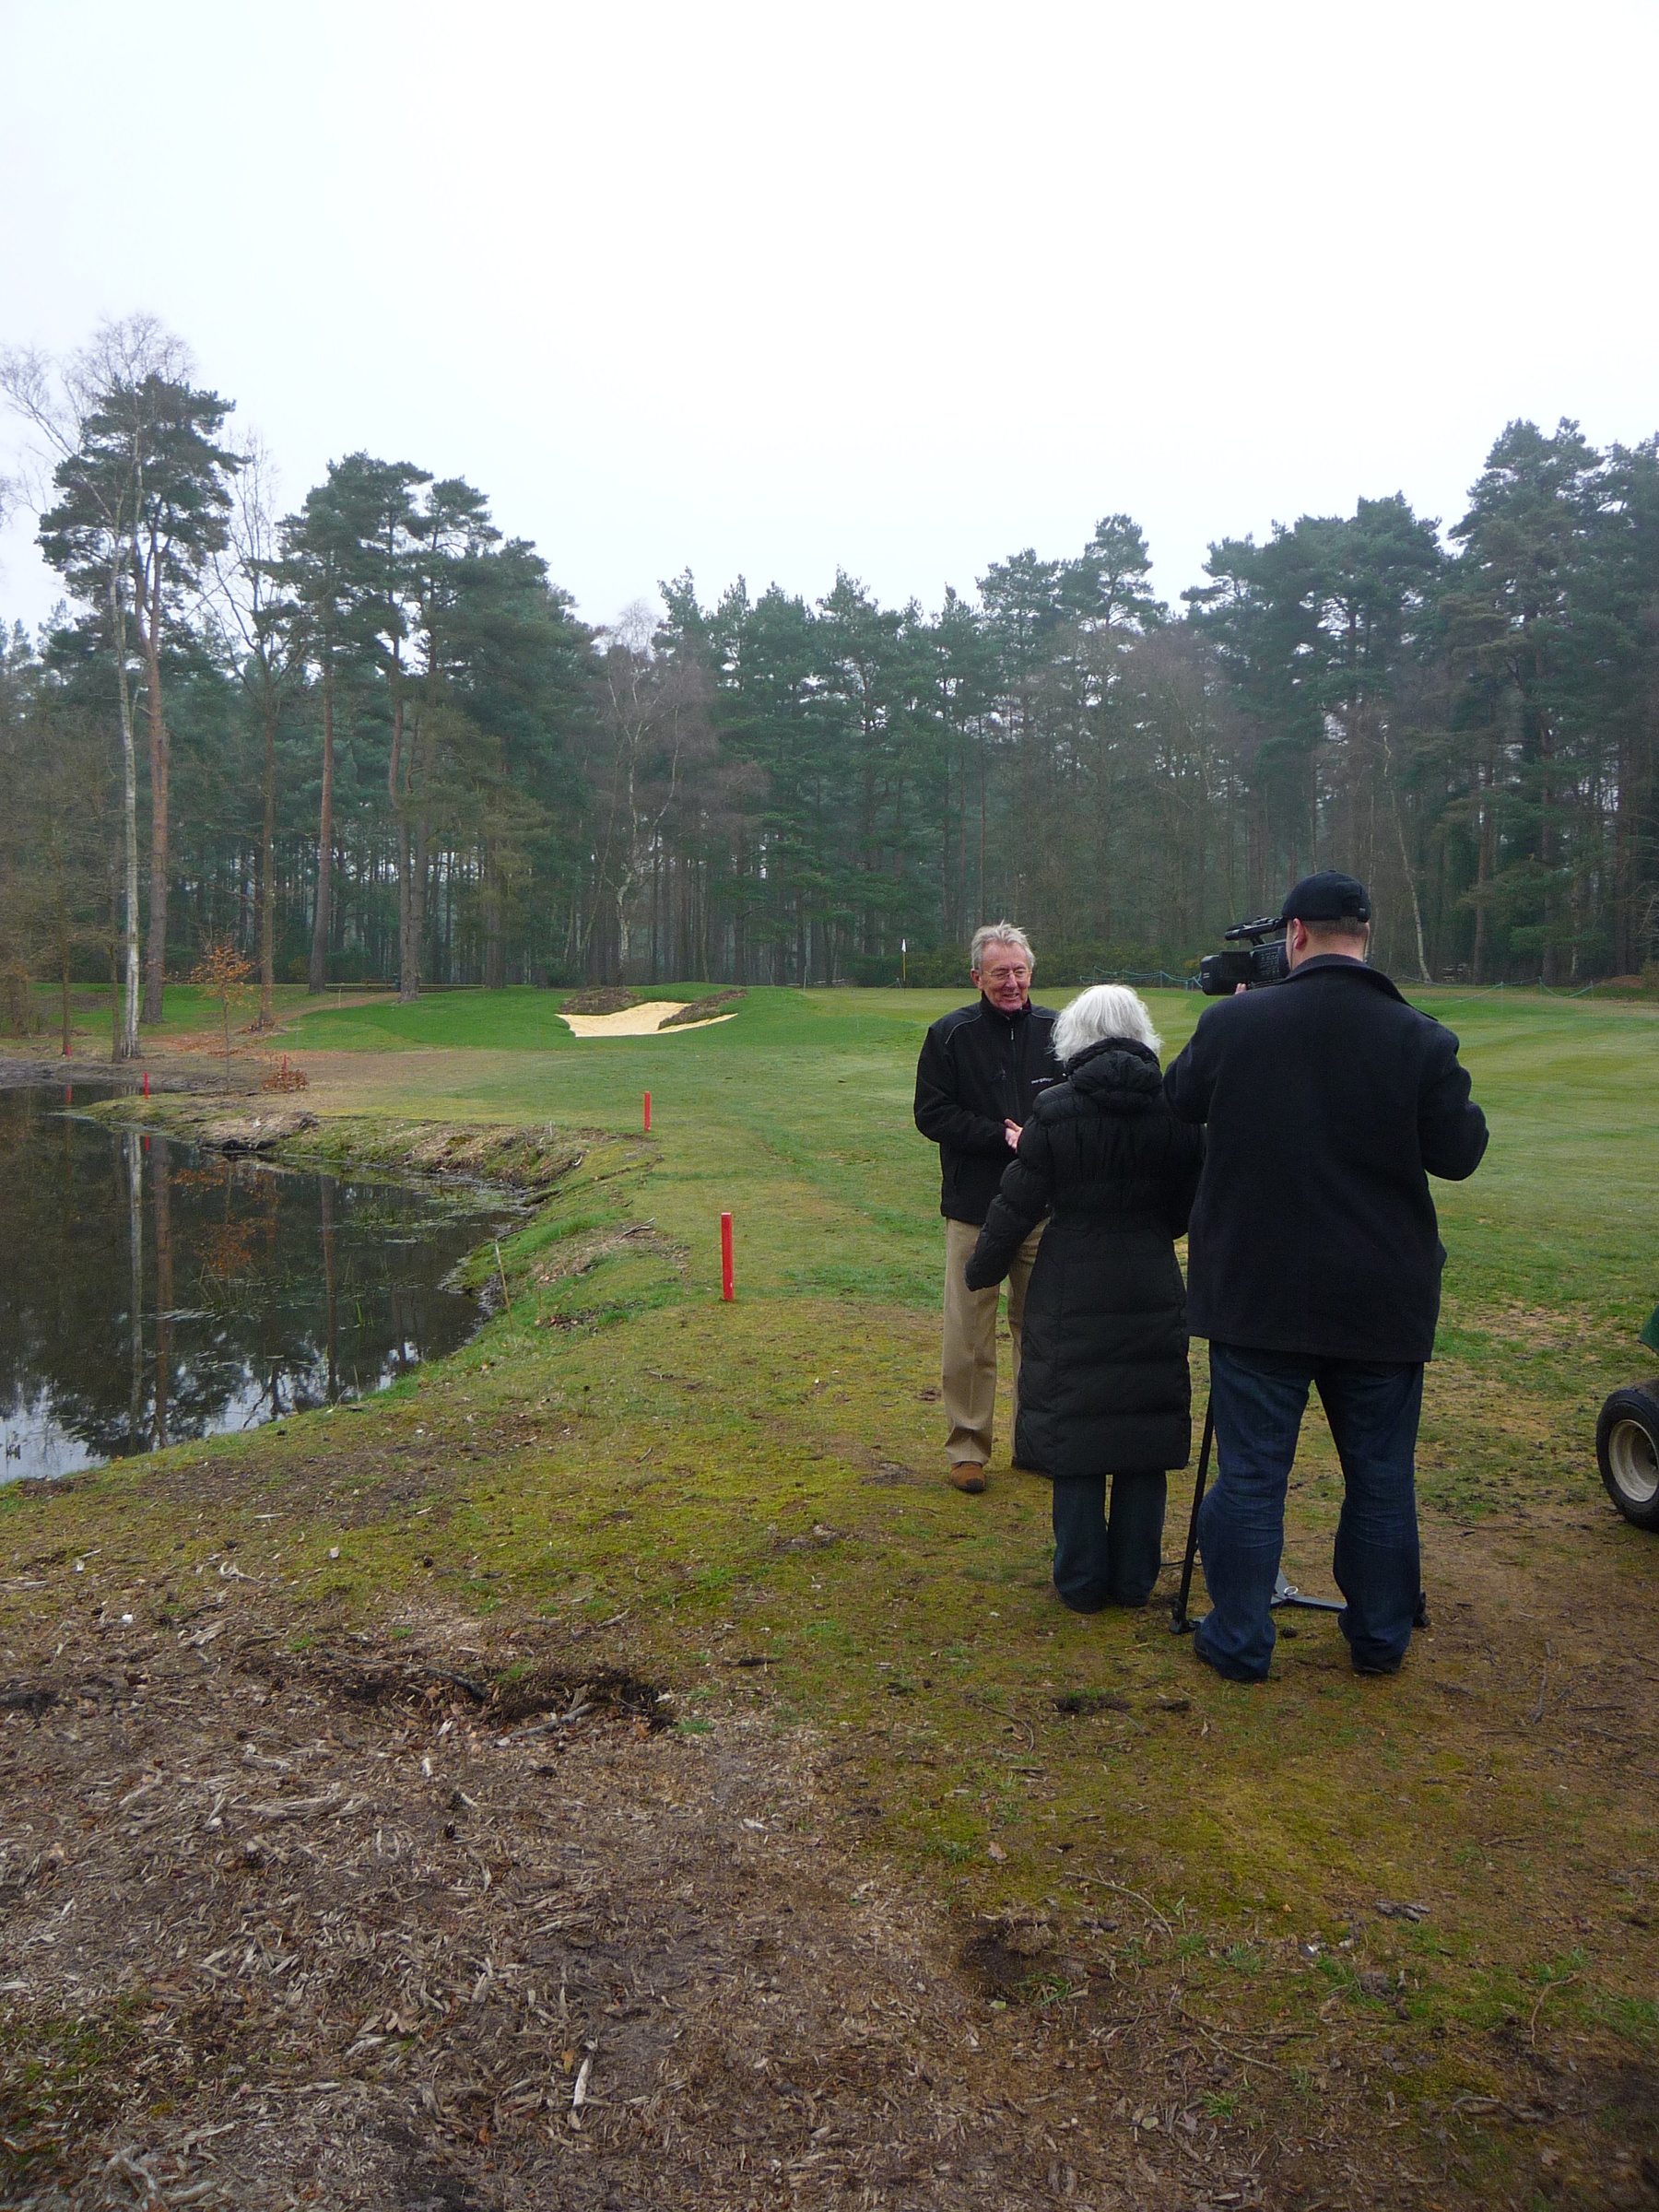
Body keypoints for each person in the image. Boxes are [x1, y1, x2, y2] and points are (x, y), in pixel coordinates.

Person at [1163, 870, 1489, 1683]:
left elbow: (1179, 1100)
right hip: (1381, 1295)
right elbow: (1461, 1152)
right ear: (1365, 938)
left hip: (1259, 1292)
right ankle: (1379, 1638)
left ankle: (1239, 1640)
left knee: (1250, 1479)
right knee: (1381, 1479)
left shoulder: (1236, 1022)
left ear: (1295, 936)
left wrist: (1238, 1014)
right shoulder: (1418, 1035)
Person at [966, 985, 1204, 1607]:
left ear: (1075, 1037)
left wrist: (981, 1267)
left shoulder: (1057, 1110)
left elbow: (1018, 1200)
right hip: (1150, 1277)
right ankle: (1134, 1580)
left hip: (1070, 1282)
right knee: (1143, 1436)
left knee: (1074, 1437)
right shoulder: (1175, 1112)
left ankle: (1078, 1581)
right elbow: (1188, 1203)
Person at [913, 923, 1058, 1491]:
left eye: (1020, 971)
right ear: (977, 977)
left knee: (1042, 1329)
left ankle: (1038, 1441)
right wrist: (1000, 1135)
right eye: (1000, 973)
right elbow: (932, 1114)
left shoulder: (1058, 1030)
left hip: (1043, 1207)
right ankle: (968, 1446)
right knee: (970, 1333)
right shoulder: (949, 1035)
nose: (1012, 983)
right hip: (975, 1207)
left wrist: (1043, 1140)